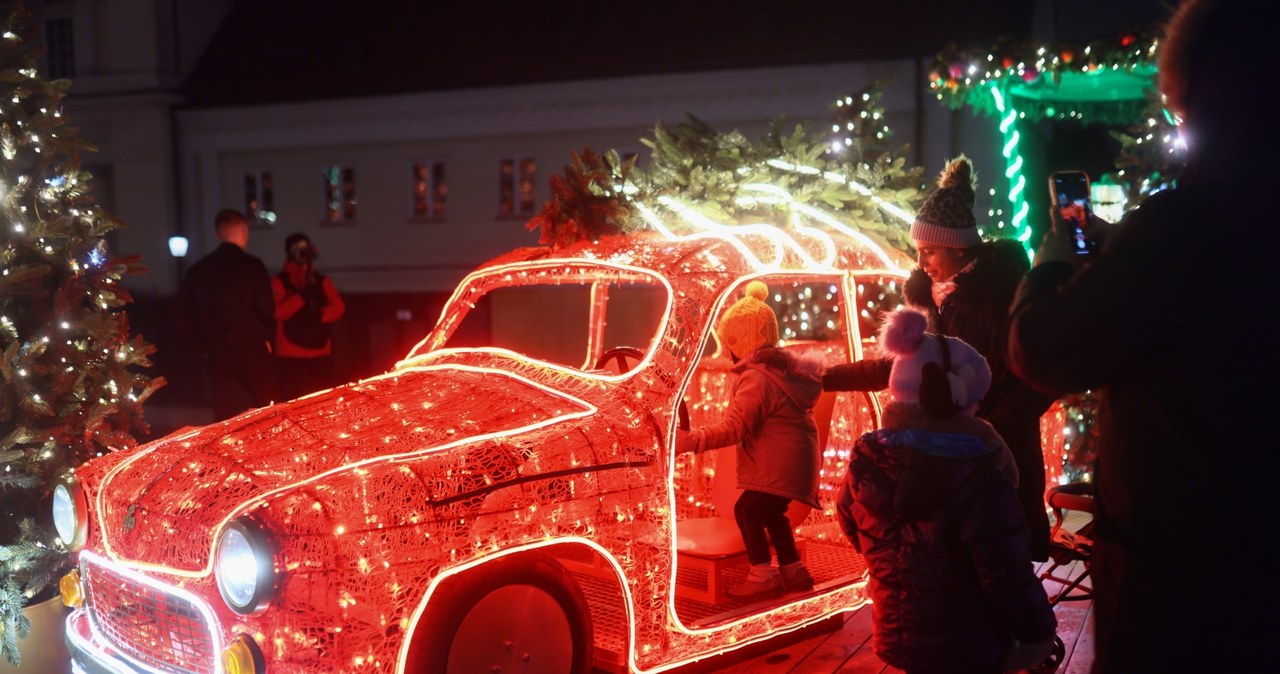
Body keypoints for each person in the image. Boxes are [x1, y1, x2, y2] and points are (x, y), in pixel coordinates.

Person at [1006, 1, 1277, 671]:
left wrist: (1050, 268)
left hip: (1185, 578)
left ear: (1198, 91)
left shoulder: (1189, 225)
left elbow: (1042, 349)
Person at [824, 156, 1055, 561]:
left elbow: (1040, 379)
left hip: (1000, 459)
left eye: (929, 250)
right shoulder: (931, 303)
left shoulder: (1002, 300)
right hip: (947, 455)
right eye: (919, 251)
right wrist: (825, 376)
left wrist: (990, 427)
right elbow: (904, 365)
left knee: (999, 564)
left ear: (959, 248)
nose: (921, 262)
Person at [837, 306, 1056, 674]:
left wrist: (898, 565)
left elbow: (852, 526)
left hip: (897, 630)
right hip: (971, 641)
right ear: (957, 400)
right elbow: (1005, 573)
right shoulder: (979, 475)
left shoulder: (868, 460)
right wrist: (1036, 635)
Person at [677, 281, 822, 599]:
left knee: (748, 510)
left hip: (780, 464)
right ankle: (793, 571)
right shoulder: (780, 371)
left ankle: (762, 575)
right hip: (797, 461)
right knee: (771, 513)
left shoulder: (756, 377)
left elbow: (735, 428)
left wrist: (691, 441)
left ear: (737, 341)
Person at [176, 209, 276, 421]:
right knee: (266, 408)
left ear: (218, 234)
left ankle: (226, 453)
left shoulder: (198, 271)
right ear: (243, 232)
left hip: (217, 349)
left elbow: (183, 314)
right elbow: (266, 309)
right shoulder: (252, 266)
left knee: (224, 414)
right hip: (251, 347)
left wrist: (201, 345)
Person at [271, 232, 346, 400]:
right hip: (290, 353)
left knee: (323, 399)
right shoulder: (279, 281)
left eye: (305, 249)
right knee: (290, 400)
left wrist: (320, 317)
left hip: (319, 350)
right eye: (297, 249)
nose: (302, 253)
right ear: (290, 252)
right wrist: (301, 297)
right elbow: (277, 312)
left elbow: (339, 307)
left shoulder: (321, 280)